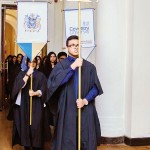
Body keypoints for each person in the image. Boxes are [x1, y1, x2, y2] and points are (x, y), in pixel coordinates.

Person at [46, 35, 103, 150]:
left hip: (85, 109)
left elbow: (96, 87)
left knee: (86, 140)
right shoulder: (61, 65)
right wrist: (73, 66)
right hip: (68, 109)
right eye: (72, 45)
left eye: (77, 45)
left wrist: (85, 100)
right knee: (68, 141)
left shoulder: (90, 66)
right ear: (67, 48)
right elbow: (54, 84)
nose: (75, 48)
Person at [10, 57, 51, 150]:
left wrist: (36, 93)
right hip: (24, 105)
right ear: (27, 63)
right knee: (26, 127)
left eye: (34, 62)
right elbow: (17, 87)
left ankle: (37, 147)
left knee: (37, 126)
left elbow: (45, 89)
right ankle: (27, 146)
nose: (32, 64)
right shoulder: (22, 74)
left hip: (37, 105)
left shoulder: (41, 75)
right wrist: (27, 75)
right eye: (30, 62)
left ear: (36, 63)